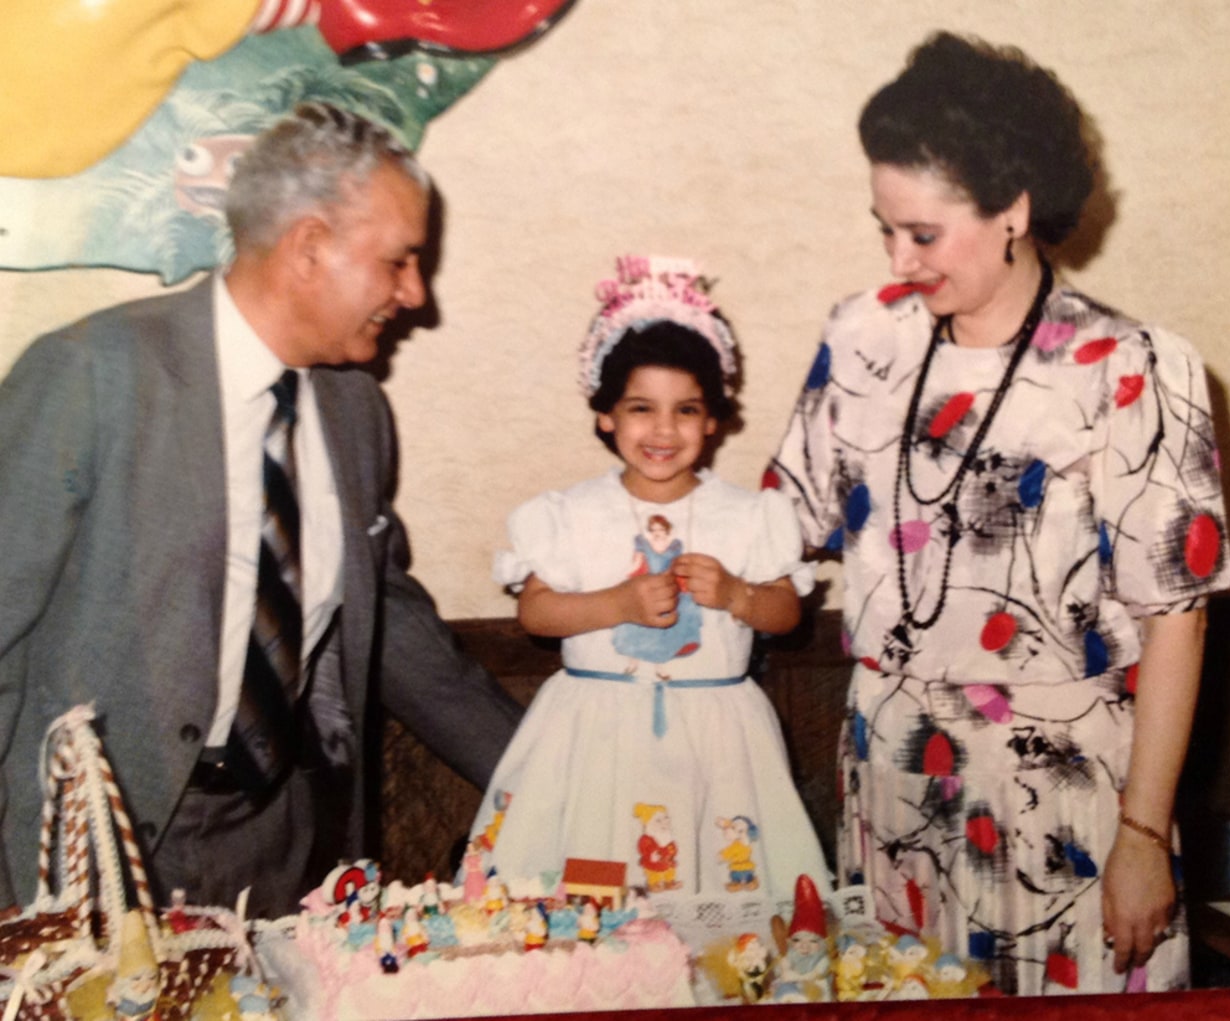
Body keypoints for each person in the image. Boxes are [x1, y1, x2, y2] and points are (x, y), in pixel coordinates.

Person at [767, 32, 1230, 996]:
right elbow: (779, 531)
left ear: (1014, 209)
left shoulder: (1139, 369)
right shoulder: (864, 338)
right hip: (892, 785)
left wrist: (1145, 835)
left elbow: (1177, 617)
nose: (899, 257)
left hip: (1067, 804)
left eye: (924, 234)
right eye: (883, 227)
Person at [0, 102, 523, 917]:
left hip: (281, 857)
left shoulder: (356, 412)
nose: (417, 294)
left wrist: (548, 769)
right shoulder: (89, 377)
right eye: (399, 260)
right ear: (310, 246)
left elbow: (391, 624)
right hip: (93, 862)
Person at [465, 254, 831, 900]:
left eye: (686, 410)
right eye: (641, 408)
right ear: (606, 414)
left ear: (713, 418)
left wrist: (739, 595)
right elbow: (536, 612)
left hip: (717, 744)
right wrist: (616, 602)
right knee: (591, 888)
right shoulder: (571, 515)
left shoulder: (749, 515)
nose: (664, 430)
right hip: (595, 737)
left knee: (723, 891)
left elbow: (787, 612)